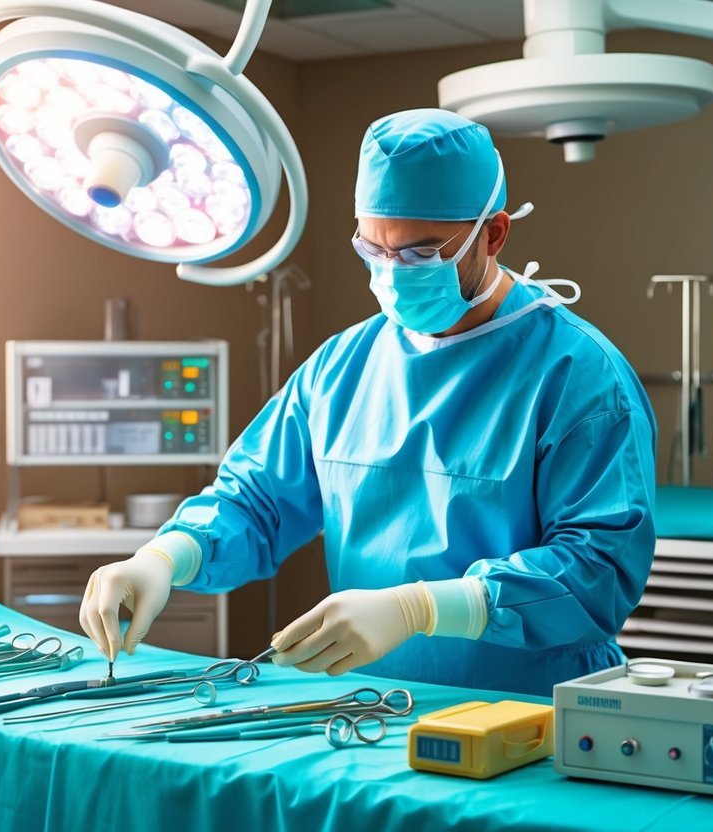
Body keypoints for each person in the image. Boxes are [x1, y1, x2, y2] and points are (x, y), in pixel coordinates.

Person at [79, 108, 657, 696]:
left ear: (494, 233)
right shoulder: (343, 367)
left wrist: (421, 608)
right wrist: (167, 556)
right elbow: (255, 502)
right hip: (370, 710)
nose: (393, 273)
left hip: (530, 715)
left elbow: (598, 568)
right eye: (373, 250)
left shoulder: (579, 376)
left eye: (420, 254)